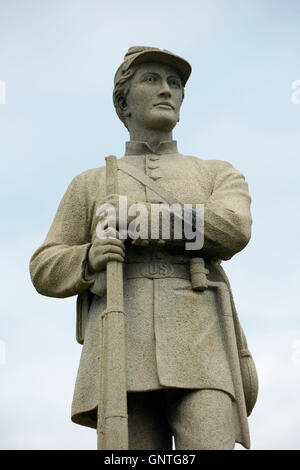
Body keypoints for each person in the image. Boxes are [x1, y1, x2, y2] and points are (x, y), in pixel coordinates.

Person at [30, 46, 258, 450]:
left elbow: (232, 228)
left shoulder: (215, 172)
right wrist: (88, 258)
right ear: (123, 101)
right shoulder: (90, 182)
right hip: (120, 345)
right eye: (151, 80)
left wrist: (139, 222)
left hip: (202, 344)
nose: (167, 91)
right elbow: (44, 265)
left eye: (175, 83)